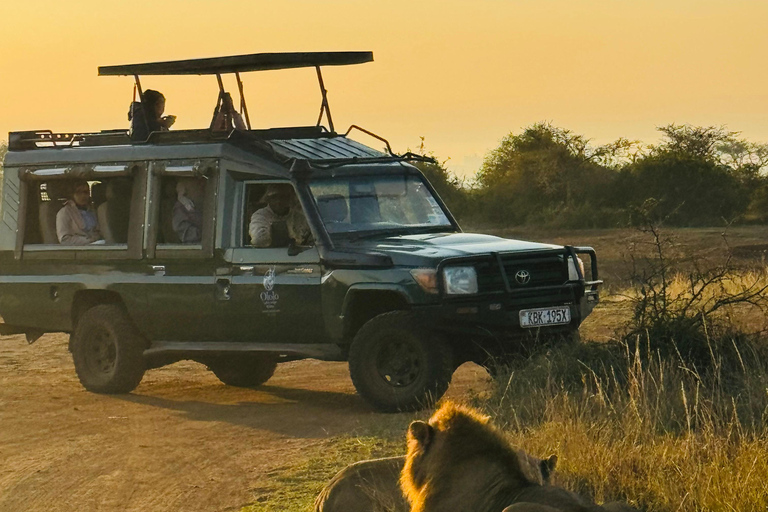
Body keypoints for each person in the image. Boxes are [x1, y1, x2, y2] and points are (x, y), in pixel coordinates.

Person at [56, 181, 103, 245]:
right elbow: (65, 240)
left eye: (85, 192)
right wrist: (89, 241)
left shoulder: (93, 211)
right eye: (78, 192)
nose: (83, 196)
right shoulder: (64, 212)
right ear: (72, 194)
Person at [172, 178, 205, 243]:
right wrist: (202, 233)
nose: (201, 187)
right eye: (197, 185)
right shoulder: (180, 207)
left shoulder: (195, 204)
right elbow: (180, 228)